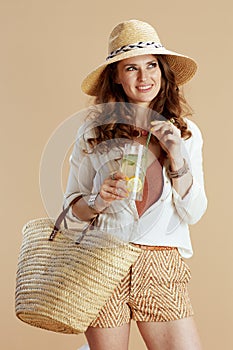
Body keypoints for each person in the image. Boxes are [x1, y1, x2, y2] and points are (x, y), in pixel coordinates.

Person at [64, 19, 207, 350]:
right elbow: (70, 210)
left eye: (152, 66)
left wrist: (177, 157)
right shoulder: (92, 133)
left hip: (160, 264)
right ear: (116, 75)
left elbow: (195, 211)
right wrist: (97, 201)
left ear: (162, 71)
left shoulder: (186, 134)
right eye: (132, 68)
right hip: (102, 260)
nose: (144, 78)